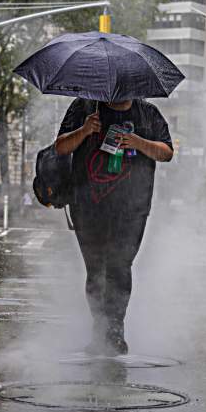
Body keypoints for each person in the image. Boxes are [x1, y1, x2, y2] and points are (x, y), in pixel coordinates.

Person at [55, 98, 173, 355]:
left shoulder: (147, 113)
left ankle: (115, 331)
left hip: (132, 209)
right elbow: (61, 147)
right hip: (88, 207)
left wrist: (138, 142)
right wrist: (85, 130)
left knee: (119, 267)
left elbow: (166, 153)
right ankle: (100, 330)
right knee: (95, 270)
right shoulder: (84, 108)